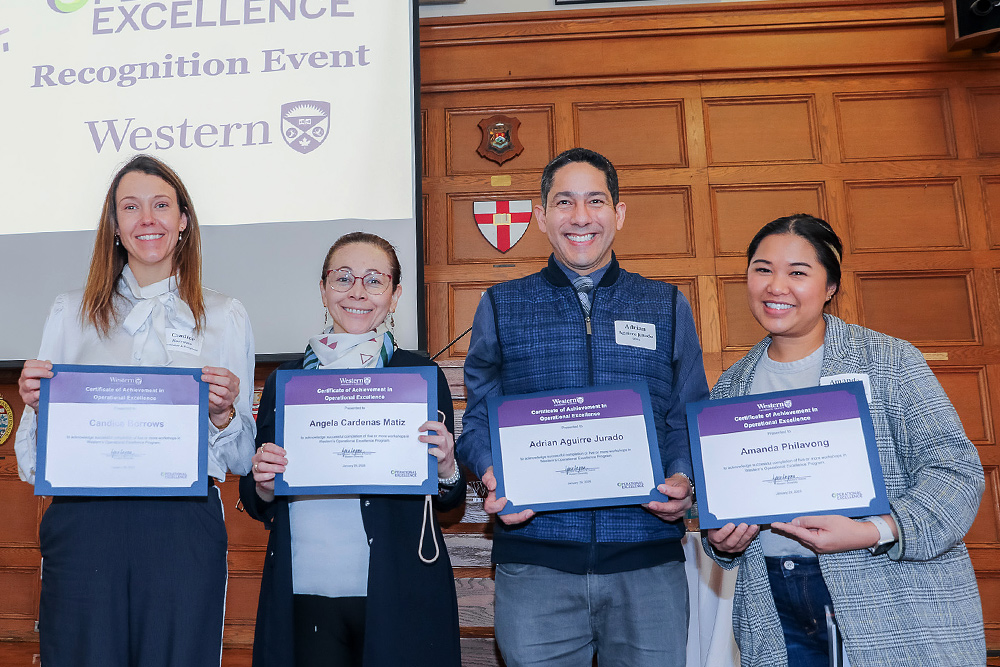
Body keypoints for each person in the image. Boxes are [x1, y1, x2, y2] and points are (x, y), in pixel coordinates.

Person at [458, 147, 710, 666]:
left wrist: (683, 478)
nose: (580, 217)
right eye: (564, 202)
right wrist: (490, 472)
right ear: (541, 216)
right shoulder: (501, 304)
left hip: (646, 557)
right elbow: (480, 415)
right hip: (536, 561)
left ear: (618, 213)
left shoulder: (664, 304)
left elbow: (687, 413)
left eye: (595, 201)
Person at [704, 214, 986, 666]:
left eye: (798, 272)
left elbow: (956, 474)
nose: (777, 286)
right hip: (775, 603)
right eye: (763, 269)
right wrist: (722, 540)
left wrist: (873, 530)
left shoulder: (888, 359)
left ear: (830, 286)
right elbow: (720, 505)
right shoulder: (730, 387)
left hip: (892, 599)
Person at [14, 154, 256, 667]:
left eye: (161, 205)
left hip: (182, 527)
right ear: (115, 225)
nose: (148, 218)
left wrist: (223, 416)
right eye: (131, 207)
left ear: (184, 221)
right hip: (85, 525)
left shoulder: (225, 317)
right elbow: (34, 464)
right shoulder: (68, 312)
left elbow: (240, 459)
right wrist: (38, 406)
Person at [242, 231, 464, 667]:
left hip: (398, 591)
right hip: (305, 589)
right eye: (343, 278)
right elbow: (257, 500)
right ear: (323, 290)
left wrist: (448, 469)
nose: (357, 292)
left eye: (374, 280)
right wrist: (264, 483)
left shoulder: (420, 376)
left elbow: (446, 502)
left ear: (395, 295)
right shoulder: (285, 382)